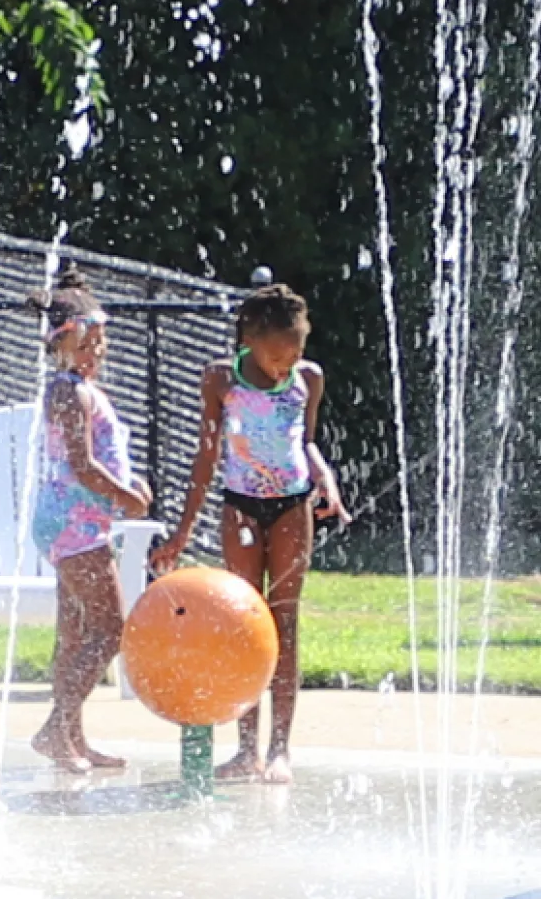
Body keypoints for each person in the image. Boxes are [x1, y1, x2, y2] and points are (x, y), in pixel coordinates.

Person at [151, 283, 350, 784]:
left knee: (283, 620)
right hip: (240, 506)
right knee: (243, 622)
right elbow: (208, 455)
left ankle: (280, 748)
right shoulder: (222, 379)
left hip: (292, 505)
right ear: (248, 341)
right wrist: (182, 532)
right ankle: (245, 750)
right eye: (278, 354)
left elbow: (303, 442)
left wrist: (325, 480)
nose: (286, 364)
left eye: (295, 353)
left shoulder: (309, 378)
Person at [29, 266, 152, 773]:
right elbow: (83, 464)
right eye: (90, 343)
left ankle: (72, 741)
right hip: (76, 525)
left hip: (72, 521)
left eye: (102, 342)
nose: (98, 351)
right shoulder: (68, 391)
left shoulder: (77, 389)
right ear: (65, 342)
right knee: (110, 631)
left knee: (76, 636)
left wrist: (131, 481)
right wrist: (127, 497)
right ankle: (56, 727)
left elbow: (99, 455)